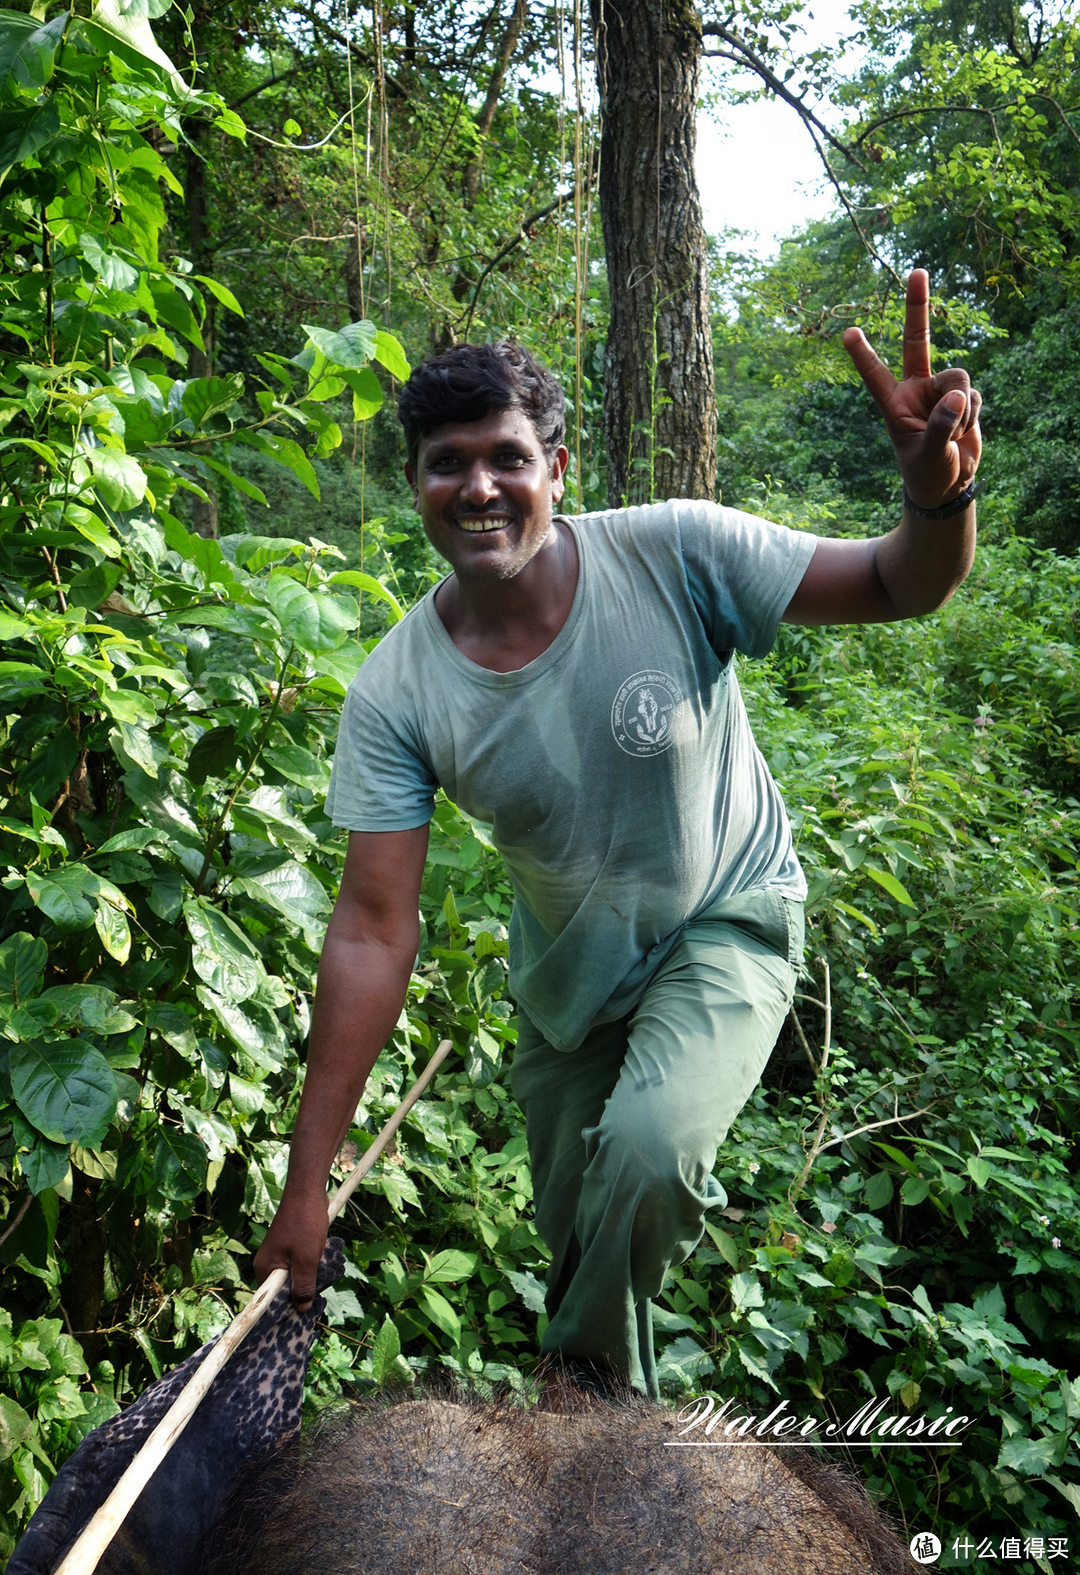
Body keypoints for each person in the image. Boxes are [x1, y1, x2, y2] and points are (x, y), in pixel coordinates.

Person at [253, 268, 981, 1400]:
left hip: (725, 915)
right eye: (448, 463)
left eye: (506, 458)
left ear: (557, 471)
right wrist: (308, 1182)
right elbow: (369, 927)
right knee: (582, 1237)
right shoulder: (397, 693)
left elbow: (897, 584)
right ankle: (616, 1423)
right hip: (568, 977)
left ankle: (572, 1397)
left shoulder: (677, 552)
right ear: (415, 486)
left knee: (646, 1160)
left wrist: (935, 500)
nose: (479, 487)